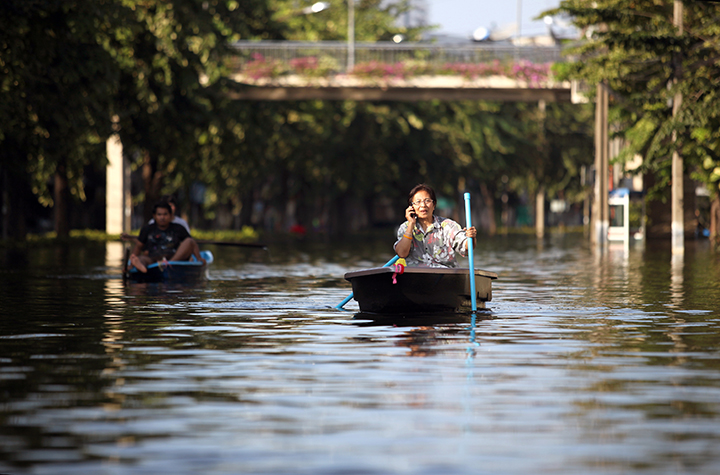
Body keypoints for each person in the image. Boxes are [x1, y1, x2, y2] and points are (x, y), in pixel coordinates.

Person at [393, 184, 477, 268]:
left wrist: (471, 237)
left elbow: (467, 249)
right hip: (417, 277)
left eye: (427, 201)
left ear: (434, 205)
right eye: (418, 202)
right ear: (412, 207)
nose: (423, 205)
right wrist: (411, 224)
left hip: (446, 276)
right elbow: (402, 253)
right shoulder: (405, 227)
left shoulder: (448, 225)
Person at [129, 201, 206, 273]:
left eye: (165, 214)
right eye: (159, 215)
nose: (162, 217)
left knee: (189, 240)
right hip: (153, 260)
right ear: (154, 216)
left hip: (174, 259)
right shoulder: (147, 229)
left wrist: (198, 258)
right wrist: (131, 264)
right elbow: (138, 247)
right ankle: (141, 267)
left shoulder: (178, 228)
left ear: (170, 215)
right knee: (141, 259)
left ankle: (168, 264)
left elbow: (192, 244)